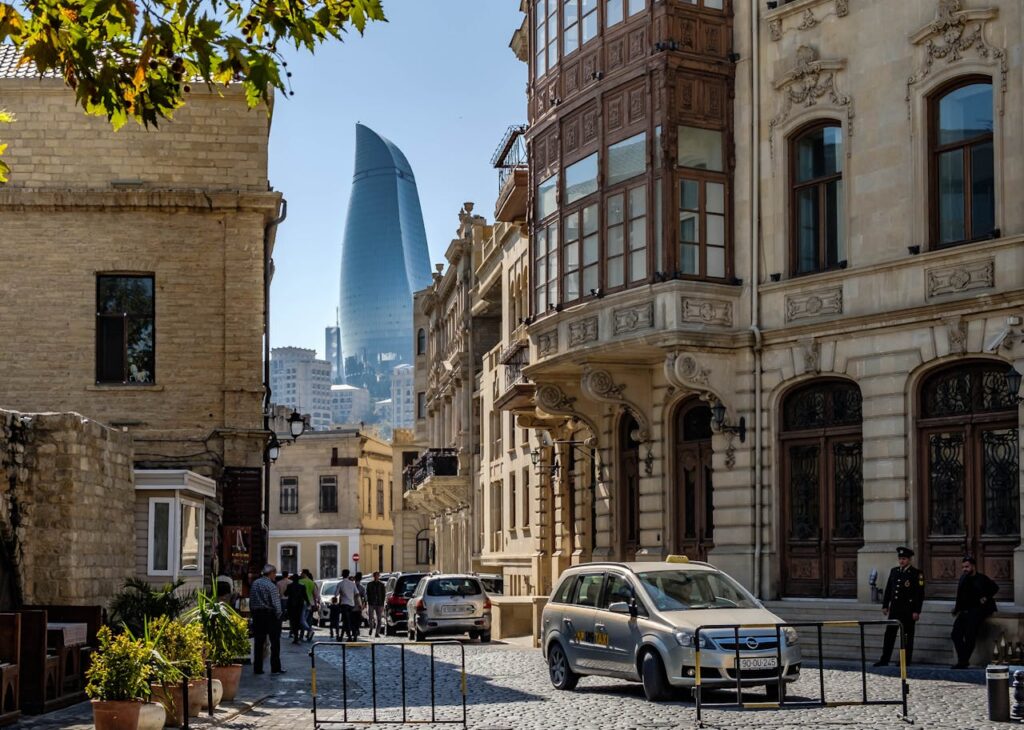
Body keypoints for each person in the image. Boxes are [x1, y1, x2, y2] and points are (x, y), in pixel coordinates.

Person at [874, 546, 924, 667]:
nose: (902, 561)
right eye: (900, 558)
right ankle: (884, 659)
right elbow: (889, 589)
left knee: (906, 636)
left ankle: (905, 660)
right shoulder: (894, 571)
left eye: (904, 559)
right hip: (895, 609)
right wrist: (885, 605)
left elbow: (919, 594)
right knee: (889, 635)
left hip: (908, 610)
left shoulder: (916, 574)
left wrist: (917, 611)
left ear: (909, 560)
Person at [950, 555, 998, 668]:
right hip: (964, 611)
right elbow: (959, 596)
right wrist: (956, 609)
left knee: (969, 636)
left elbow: (995, 588)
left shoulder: (981, 578)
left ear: (973, 566)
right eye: (963, 567)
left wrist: (986, 597)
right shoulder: (963, 578)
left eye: (967, 567)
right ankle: (963, 659)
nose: (964, 569)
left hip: (976, 612)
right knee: (955, 635)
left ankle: (962, 662)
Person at [249, 564, 284, 674]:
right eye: (274, 573)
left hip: (257, 615)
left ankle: (258, 668)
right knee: (275, 643)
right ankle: (275, 667)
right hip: (270, 615)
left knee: (259, 643)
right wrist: (279, 616)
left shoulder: (255, 584)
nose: (275, 576)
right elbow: (276, 604)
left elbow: (251, 601)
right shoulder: (271, 586)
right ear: (271, 573)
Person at [285, 572, 309, 644]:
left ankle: (295, 636)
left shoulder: (290, 586)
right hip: (299, 606)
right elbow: (305, 596)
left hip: (291, 606)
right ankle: (297, 636)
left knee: (293, 621)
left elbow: (285, 594)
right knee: (298, 620)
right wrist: (308, 603)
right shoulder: (302, 586)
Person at [337, 568, 359, 641]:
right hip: (351, 605)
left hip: (344, 604)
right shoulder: (352, 584)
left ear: (342, 575)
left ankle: (350, 637)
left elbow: (335, 594)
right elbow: (357, 594)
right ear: (348, 574)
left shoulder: (340, 584)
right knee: (349, 620)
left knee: (346, 621)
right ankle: (351, 635)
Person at [299, 569, 319, 642]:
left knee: (302, 620)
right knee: (307, 620)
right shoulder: (311, 583)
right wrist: (315, 604)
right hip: (311, 603)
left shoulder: (300, 582)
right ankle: (307, 634)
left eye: (301, 573)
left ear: (304, 574)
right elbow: (316, 595)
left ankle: (305, 633)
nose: (300, 575)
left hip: (302, 603)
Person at [366, 571, 387, 638]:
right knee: (370, 617)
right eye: (375, 576)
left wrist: (383, 603)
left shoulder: (382, 584)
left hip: (379, 603)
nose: (376, 577)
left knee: (379, 619)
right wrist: (368, 601)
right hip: (371, 603)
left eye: (377, 575)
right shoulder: (369, 584)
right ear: (373, 576)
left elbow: (384, 594)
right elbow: (367, 594)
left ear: (379, 576)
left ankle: (377, 633)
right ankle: (371, 627)